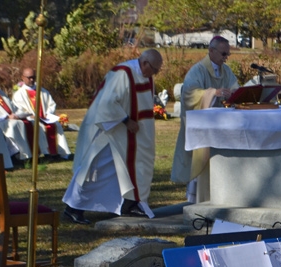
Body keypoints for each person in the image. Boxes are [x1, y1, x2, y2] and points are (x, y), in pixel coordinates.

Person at [61, 49, 163, 224]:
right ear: (145, 63)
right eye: (154, 69)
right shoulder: (122, 74)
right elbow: (106, 103)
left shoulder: (146, 76)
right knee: (95, 170)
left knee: (131, 170)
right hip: (110, 131)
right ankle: (73, 208)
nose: (155, 74)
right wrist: (125, 120)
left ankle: (129, 205)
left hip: (132, 135)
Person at [171, 35, 239, 203]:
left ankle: (220, 195)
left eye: (227, 55)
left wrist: (233, 94)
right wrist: (212, 93)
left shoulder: (226, 71)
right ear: (211, 51)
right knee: (201, 160)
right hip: (203, 127)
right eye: (223, 54)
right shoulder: (198, 70)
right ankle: (197, 198)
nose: (226, 58)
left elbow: (235, 88)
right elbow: (189, 93)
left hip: (222, 125)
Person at [11, 67, 71, 159]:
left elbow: (51, 104)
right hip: (31, 119)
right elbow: (18, 109)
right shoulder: (19, 94)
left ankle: (58, 152)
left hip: (45, 118)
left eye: (33, 77)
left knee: (56, 125)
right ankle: (45, 153)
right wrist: (30, 115)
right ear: (23, 77)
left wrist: (48, 113)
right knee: (37, 127)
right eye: (29, 77)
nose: (32, 80)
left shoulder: (42, 91)